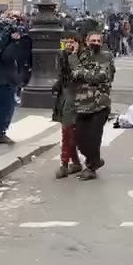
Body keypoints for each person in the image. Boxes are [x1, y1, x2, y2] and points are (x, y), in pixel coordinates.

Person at [68, 30, 115, 180]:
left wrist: (80, 71)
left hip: (100, 103)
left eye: (98, 41)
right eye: (92, 40)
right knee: (80, 139)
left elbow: (99, 76)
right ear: (86, 42)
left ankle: (91, 167)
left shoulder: (106, 56)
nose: (95, 43)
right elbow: (72, 75)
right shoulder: (79, 55)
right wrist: (73, 56)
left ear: (102, 43)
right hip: (82, 104)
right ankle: (95, 160)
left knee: (94, 138)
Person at [51, 32, 84, 178]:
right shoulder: (62, 56)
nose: (69, 45)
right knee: (68, 131)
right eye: (65, 42)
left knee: (71, 132)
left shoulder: (82, 56)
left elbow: (79, 74)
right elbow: (62, 75)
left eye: (72, 42)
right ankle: (71, 163)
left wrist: (73, 55)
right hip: (66, 97)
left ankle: (68, 163)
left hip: (79, 98)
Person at [0, 26, 24, 145]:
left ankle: (1, 132)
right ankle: (0, 133)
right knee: (5, 108)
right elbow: (8, 58)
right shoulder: (9, 46)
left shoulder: (4, 43)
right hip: (5, 81)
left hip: (4, 80)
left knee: (7, 107)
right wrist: (15, 43)